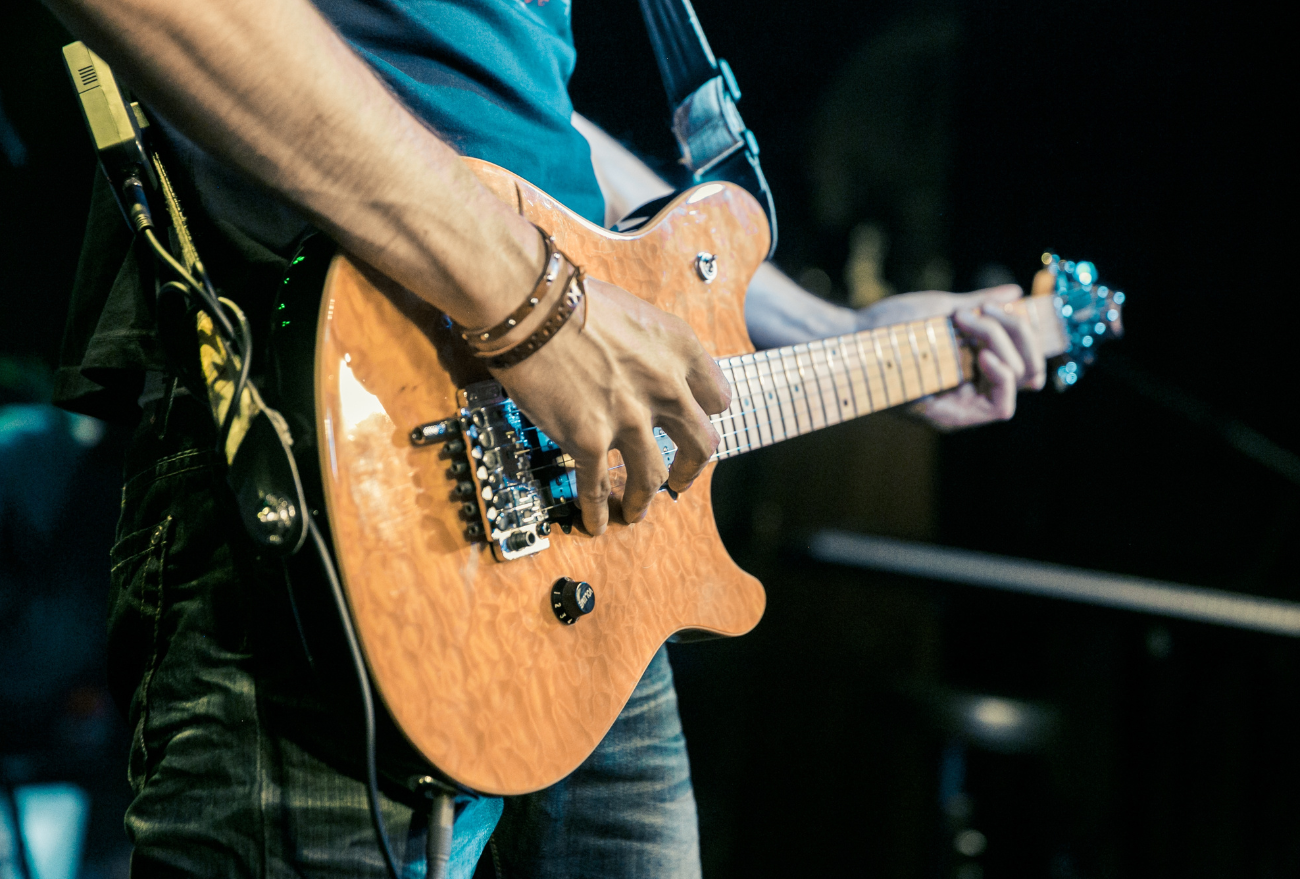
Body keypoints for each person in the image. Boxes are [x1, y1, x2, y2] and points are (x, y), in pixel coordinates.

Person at [44, 0, 1046, 875]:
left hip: (571, 545)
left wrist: (829, 332)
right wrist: (536, 307)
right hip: (329, 471)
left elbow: (501, 119)